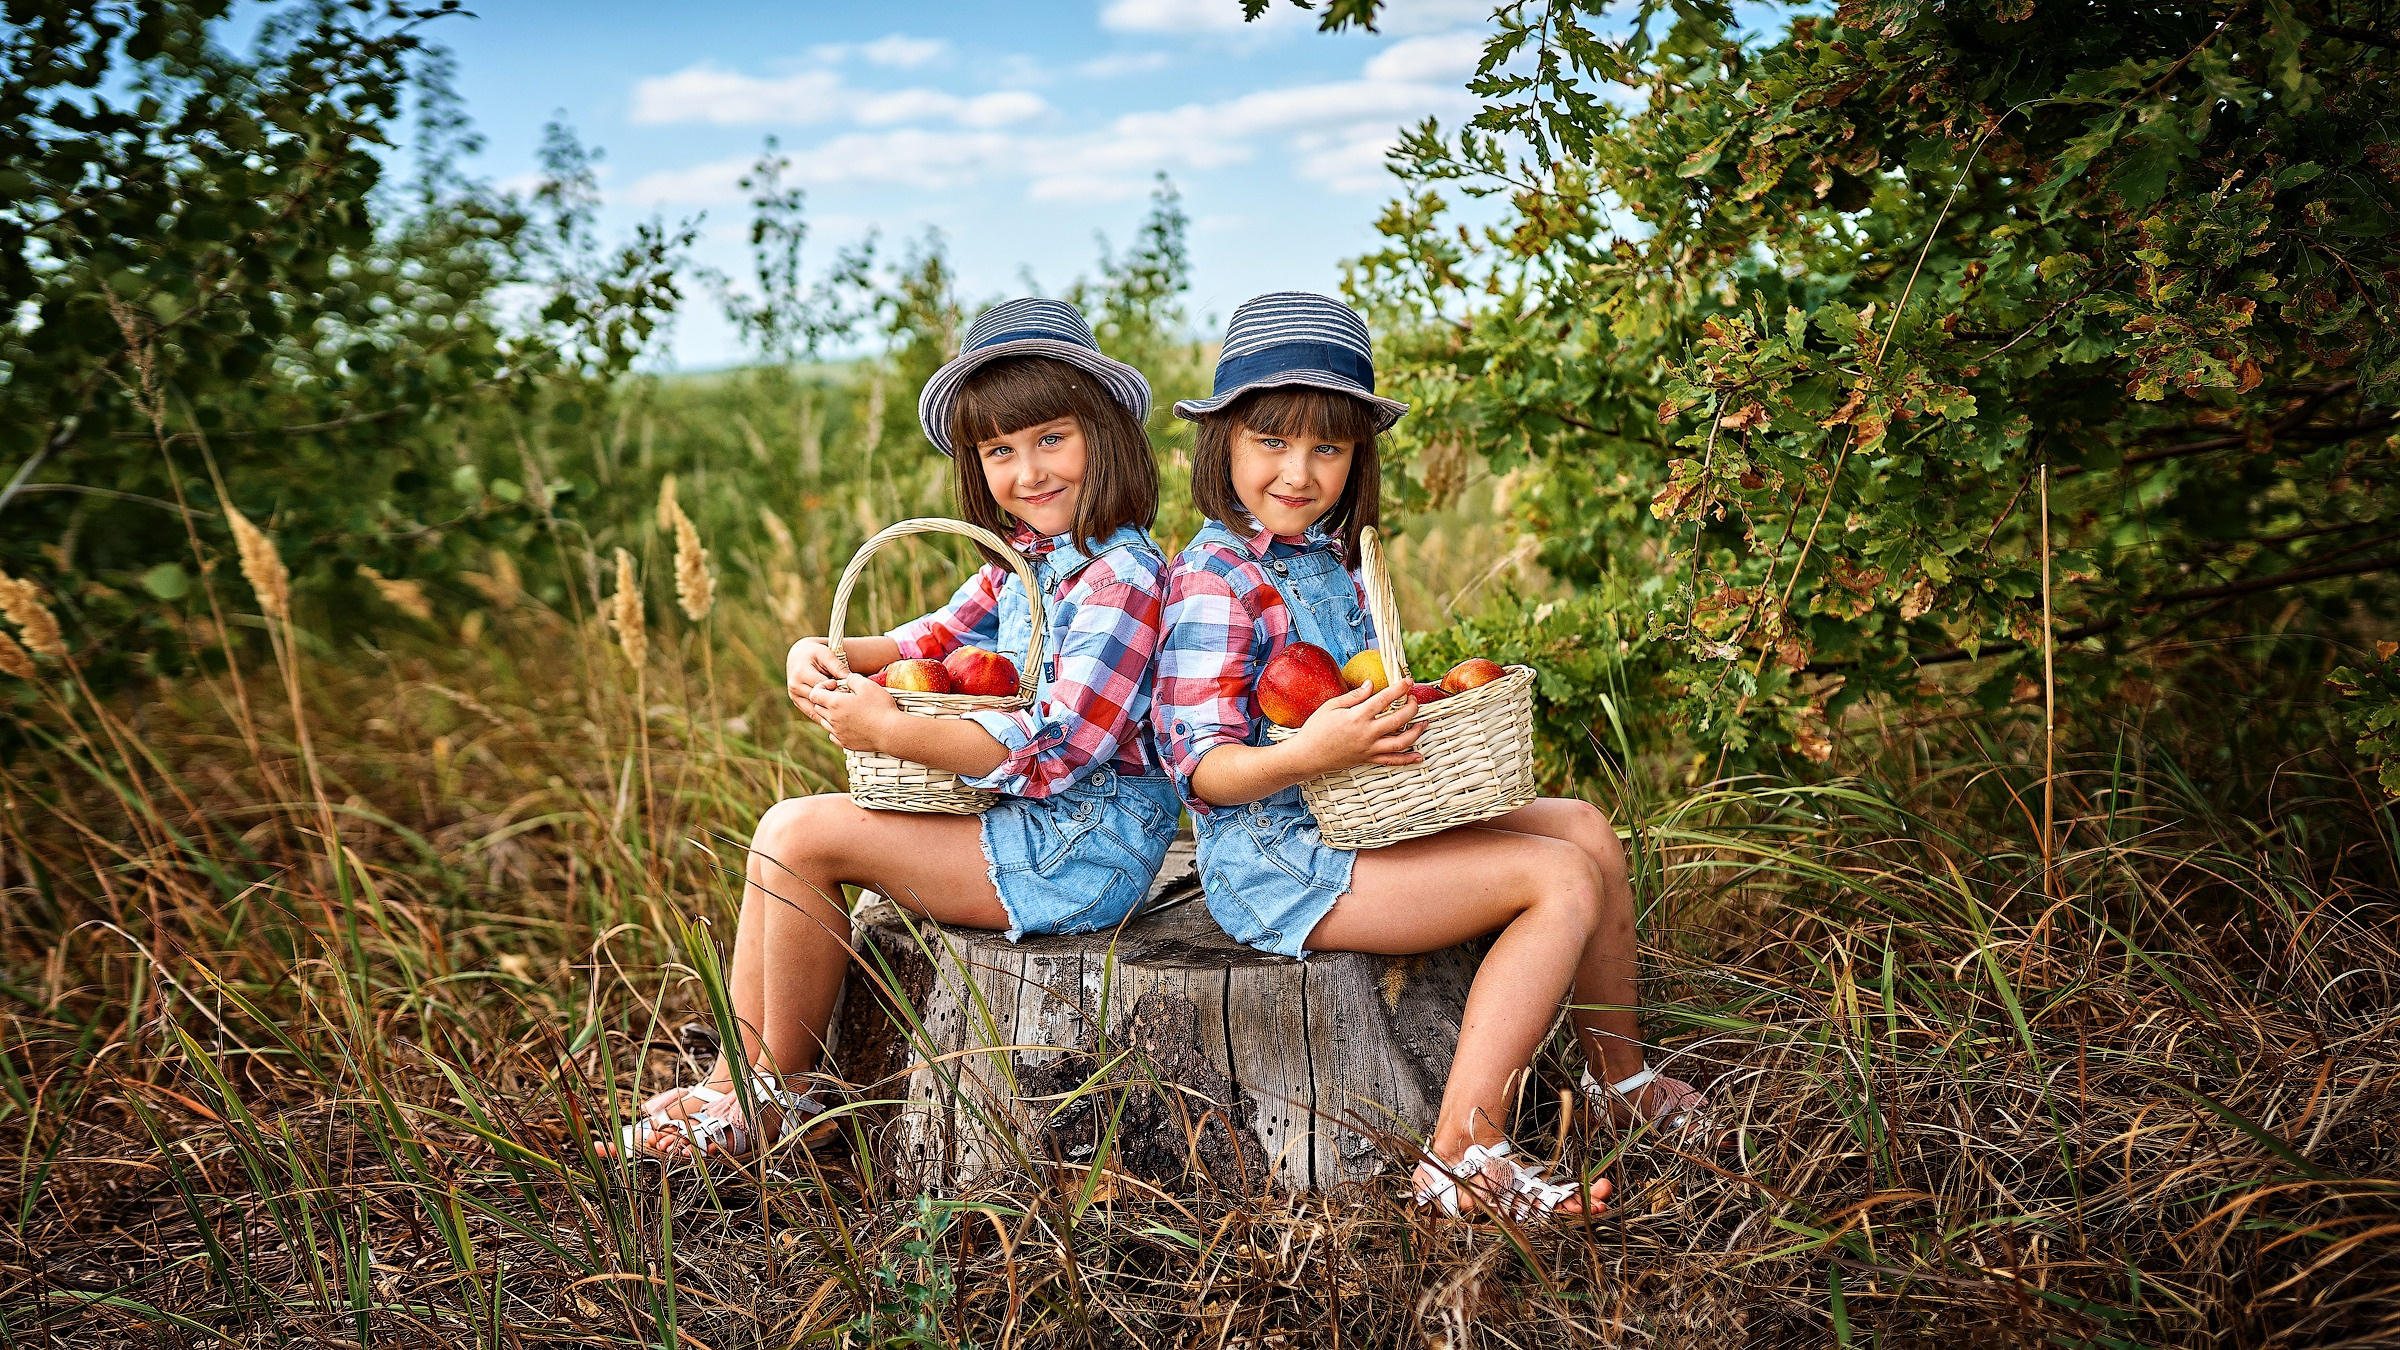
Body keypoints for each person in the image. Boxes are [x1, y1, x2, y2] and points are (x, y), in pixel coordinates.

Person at [1151, 292, 1711, 1219]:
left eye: (1328, 447)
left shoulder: (1330, 560)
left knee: (1583, 828)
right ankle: (1464, 1155)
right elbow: (1201, 770)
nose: (1299, 471)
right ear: (1223, 444)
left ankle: (1620, 1083)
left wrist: (1410, 708)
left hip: (1366, 813)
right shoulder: (1216, 580)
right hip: (1281, 858)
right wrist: (1316, 748)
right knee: (1556, 881)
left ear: (1357, 457)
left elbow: (1367, 695)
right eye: (1270, 441)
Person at [616, 298, 1182, 1159]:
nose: (1028, 471)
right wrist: (823, 648)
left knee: (805, 836)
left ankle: (778, 1098)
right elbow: (921, 641)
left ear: (1103, 435)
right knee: (781, 831)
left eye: (1050, 439)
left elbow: (1059, 746)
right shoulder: (1024, 562)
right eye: (999, 450)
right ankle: (737, 1081)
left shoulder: (1123, 578)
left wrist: (890, 730)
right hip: (1028, 828)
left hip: (1081, 852)